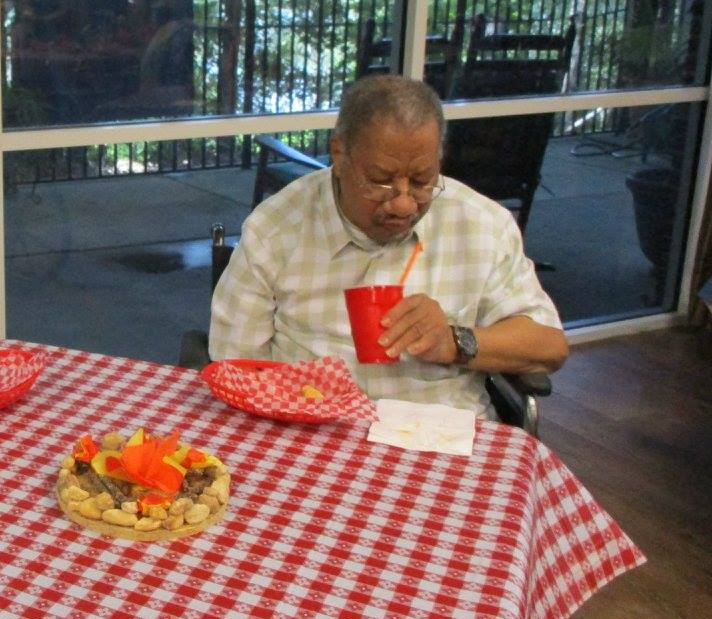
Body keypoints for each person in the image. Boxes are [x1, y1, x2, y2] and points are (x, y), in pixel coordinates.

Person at [210, 74, 567, 416]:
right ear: (338, 155)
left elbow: (549, 346)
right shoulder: (277, 228)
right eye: (380, 181)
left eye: (423, 181)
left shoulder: (481, 225)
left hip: (439, 434)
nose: (403, 204)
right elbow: (235, 364)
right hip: (315, 432)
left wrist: (455, 341)